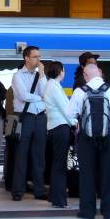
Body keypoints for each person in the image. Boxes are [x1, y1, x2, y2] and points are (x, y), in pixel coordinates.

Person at [67, 63, 110, 219]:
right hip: (108, 135)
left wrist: (77, 124)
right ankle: (109, 212)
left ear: (85, 76)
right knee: (108, 173)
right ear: (99, 74)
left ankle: (87, 212)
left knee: (87, 173)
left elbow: (70, 114)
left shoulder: (80, 92)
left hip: (86, 136)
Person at [11, 46, 48, 202]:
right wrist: (40, 98)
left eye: (39, 56)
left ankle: (39, 190)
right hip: (25, 116)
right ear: (26, 58)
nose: (38, 60)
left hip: (40, 116)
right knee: (22, 154)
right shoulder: (18, 76)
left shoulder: (40, 75)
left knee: (39, 155)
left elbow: (46, 92)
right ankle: (18, 190)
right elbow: (23, 95)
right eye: (35, 57)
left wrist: (42, 75)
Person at [42, 61, 77, 208]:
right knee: (60, 165)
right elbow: (66, 109)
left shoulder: (52, 86)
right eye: (63, 70)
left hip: (56, 127)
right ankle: (59, 200)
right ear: (60, 71)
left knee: (57, 163)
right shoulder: (53, 87)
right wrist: (75, 123)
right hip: (60, 127)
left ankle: (55, 197)